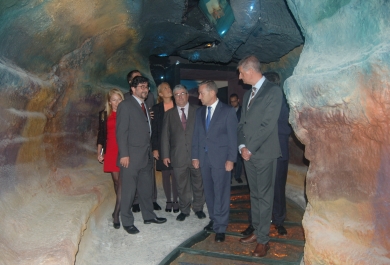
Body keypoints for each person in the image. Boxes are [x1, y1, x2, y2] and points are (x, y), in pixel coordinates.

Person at [236, 55, 282, 257]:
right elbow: (242, 125)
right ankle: (257, 230)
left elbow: (268, 125)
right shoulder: (247, 95)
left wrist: (250, 148)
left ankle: (264, 240)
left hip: (264, 154)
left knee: (264, 197)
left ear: (250, 71)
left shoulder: (273, 91)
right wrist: (241, 146)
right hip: (248, 154)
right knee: (254, 196)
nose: (239, 77)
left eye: (240, 72)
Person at [116, 76, 166, 234]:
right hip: (130, 156)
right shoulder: (125, 105)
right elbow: (121, 132)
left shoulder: (145, 105)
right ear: (133, 89)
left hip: (146, 155)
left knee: (146, 189)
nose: (145, 90)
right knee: (129, 191)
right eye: (142, 87)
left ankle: (149, 216)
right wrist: (124, 154)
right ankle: (127, 221)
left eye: (146, 87)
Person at [192, 80, 237, 243]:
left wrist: (231, 159)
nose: (199, 96)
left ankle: (221, 226)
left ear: (212, 93)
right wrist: (195, 156)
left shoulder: (228, 111)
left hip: (221, 159)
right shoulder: (199, 112)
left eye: (201, 93)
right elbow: (196, 135)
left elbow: (233, 137)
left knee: (221, 193)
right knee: (209, 192)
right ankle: (213, 219)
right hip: (204, 159)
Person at [161, 84, 206, 221]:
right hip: (178, 156)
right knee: (181, 185)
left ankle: (198, 208)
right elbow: (165, 136)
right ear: (174, 98)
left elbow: (204, 133)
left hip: (196, 155)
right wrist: (165, 154)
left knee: (198, 183)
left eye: (182, 94)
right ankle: (184, 210)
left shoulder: (198, 110)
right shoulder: (169, 114)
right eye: (177, 95)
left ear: (187, 95)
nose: (180, 97)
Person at [124, 70, 160, 212]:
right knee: (135, 174)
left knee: (149, 172)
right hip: (134, 144)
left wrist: (151, 117)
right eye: (136, 79)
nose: (141, 82)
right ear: (131, 84)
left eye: (144, 83)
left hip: (148, 141)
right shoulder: (126, 99)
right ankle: (135, 201)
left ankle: (152, 200)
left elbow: (151, 114)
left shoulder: (149, 96)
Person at [97, 88, 124, 229]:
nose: (117, 102)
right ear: (109, 101)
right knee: (115, 181)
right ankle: (121, 204)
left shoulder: (126, 113)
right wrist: (99, 152)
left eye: (119, 99)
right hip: (111, 150)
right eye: (114, 99)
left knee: (121, 182)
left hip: (124, 150)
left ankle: (116, 213)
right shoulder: (104, 115)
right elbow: (101, 135)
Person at [151, 82, 179, 213]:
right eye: (165, 88)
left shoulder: (179, 105)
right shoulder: (156, 109)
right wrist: (155, 148)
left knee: (176, 173)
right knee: (166, 174)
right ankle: (169, 200)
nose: (169, 89)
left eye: (169, 87)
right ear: (161, 94)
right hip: (162, 145)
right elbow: (154, 130)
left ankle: (176, 200)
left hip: (177, 145)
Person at [229, 93, 244, 184]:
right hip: (230, 138)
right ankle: (229, 177)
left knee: (239, 159)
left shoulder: (243, 111)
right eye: (231, 102)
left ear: (238, 100)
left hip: (239, 137)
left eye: (234, 101)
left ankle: (237, 176)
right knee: (230, 158)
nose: (233, 103)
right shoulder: (228, 110)